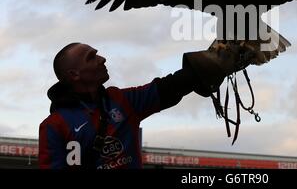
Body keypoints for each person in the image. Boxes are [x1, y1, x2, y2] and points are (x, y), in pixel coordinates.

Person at [39, 42, 250, 169]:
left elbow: (167, 88)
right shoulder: (55, 126)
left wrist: (215, 61)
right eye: (91, 57)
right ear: (74, 74)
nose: (102, 59)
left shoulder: (120, 100)